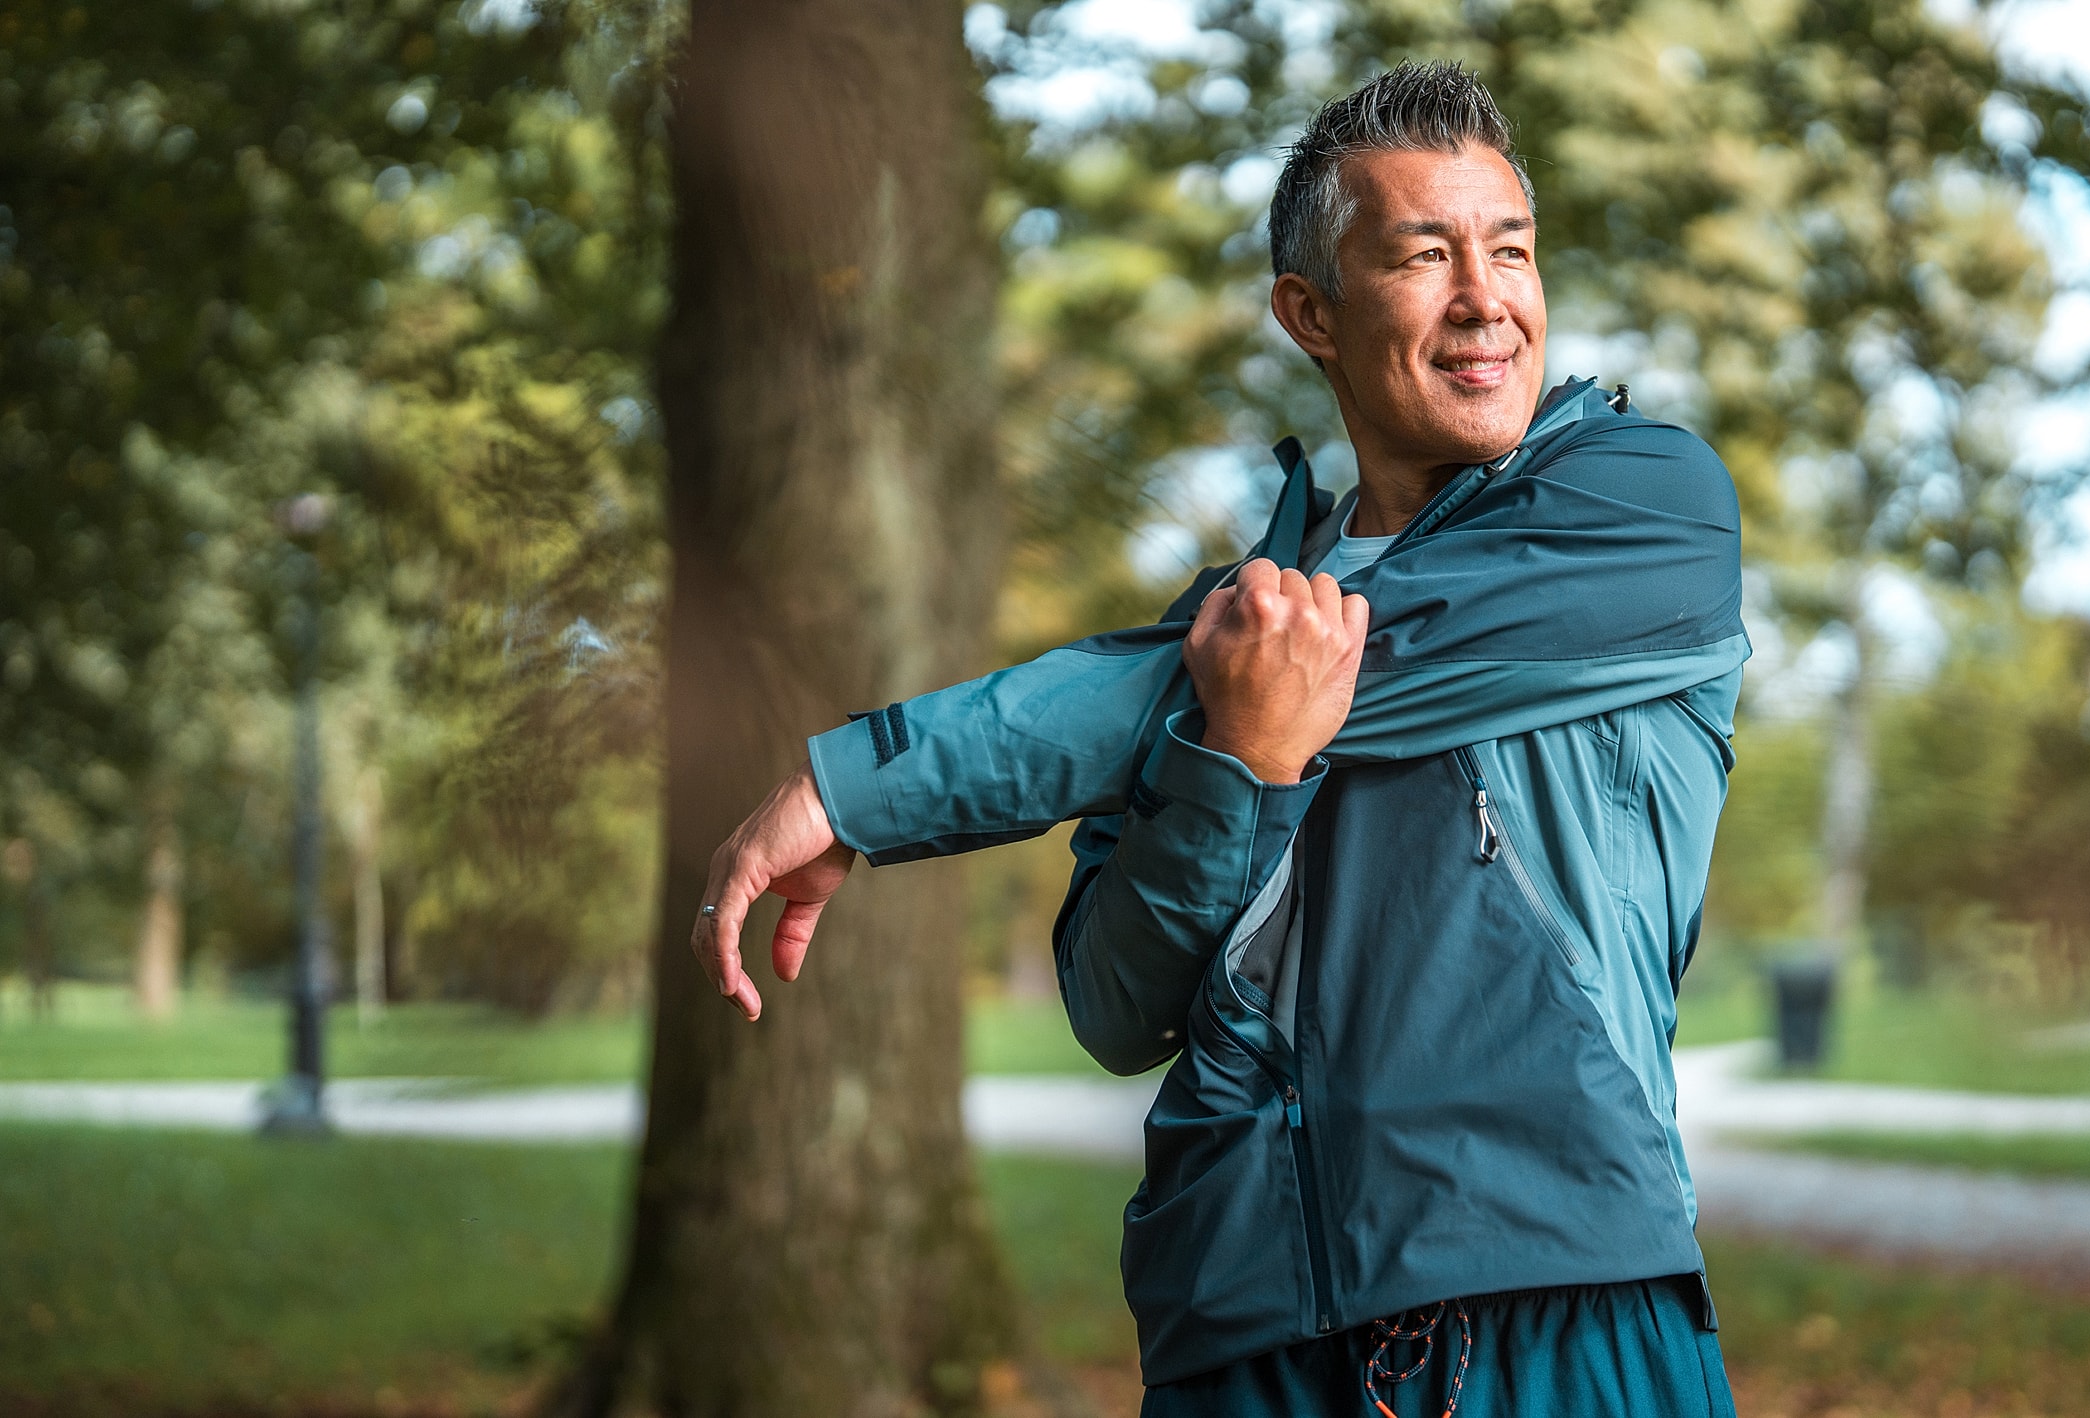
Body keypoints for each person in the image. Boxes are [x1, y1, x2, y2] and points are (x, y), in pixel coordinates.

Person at [689, 61, 1749, 1417]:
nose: (1488, 300)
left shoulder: (1641, 511)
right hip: (1236, 1333)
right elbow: (1115, 1001)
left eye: (1511, 251)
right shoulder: (1224, 624)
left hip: (1548, 1303)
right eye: (1426, 255)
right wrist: (1240, 768)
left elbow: (1273, 669)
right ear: (1311, 311)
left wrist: (861, 784)